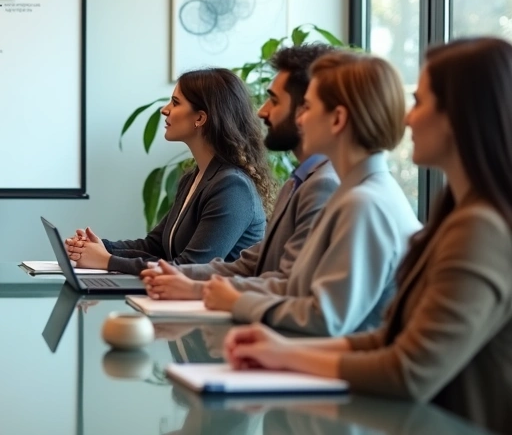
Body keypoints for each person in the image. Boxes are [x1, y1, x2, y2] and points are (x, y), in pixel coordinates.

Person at [224, 38, 512, 432]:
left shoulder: (480, 228)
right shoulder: (456, 213)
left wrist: (287, 355)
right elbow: (391, 339)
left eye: (421, 103)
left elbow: (408, 370)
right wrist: (281, 350)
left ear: (459, 117)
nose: (408, 120)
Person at [198, 52, 420, 335]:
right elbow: (296, 287)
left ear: (337, 119)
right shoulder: (356, 192)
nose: (300, 120)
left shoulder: (363, 202)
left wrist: (238, 301)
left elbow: (326, 317)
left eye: (307, 107)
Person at [142, 44, 340, 299]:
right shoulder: (296, 183)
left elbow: (292, 289)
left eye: (275, 100)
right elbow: (252, 264)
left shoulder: (324, 186)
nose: (261, 111)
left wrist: (196, 288)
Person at [65, 68, 273, 275]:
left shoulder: (232, 187)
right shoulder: (194, 178)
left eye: (175, 102)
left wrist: (108, 261)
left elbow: (191, 267)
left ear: (200, 118)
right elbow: (155, 246)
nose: (164, 110)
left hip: (216, 306)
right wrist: (101, 247)